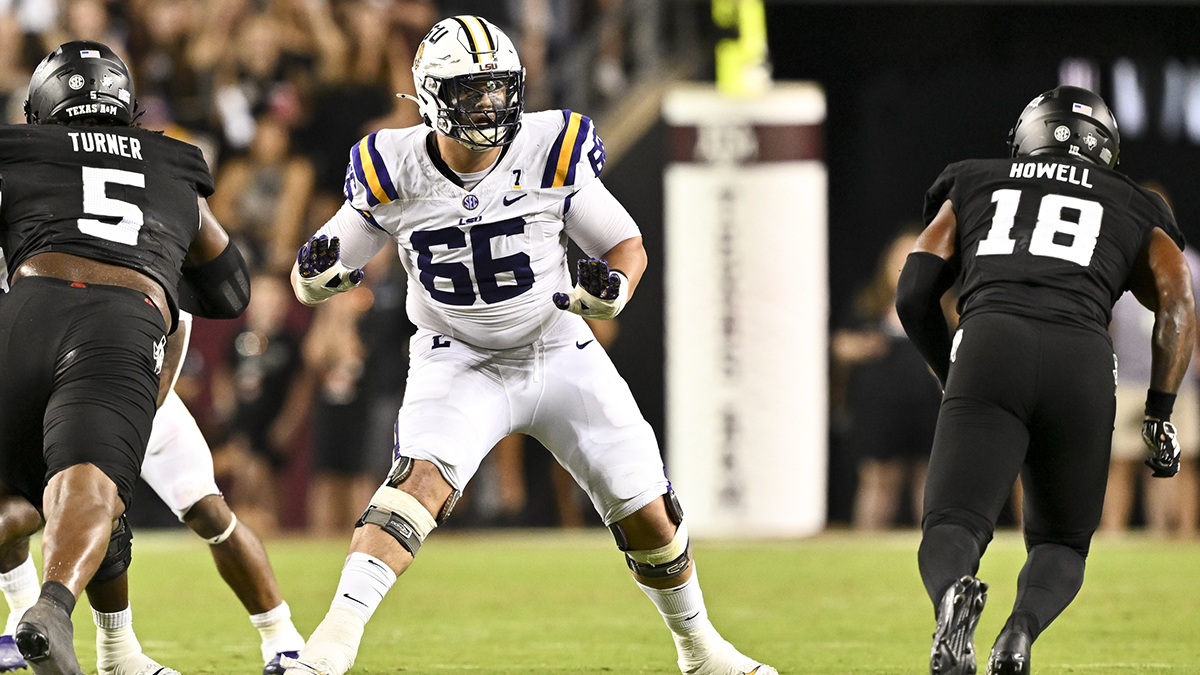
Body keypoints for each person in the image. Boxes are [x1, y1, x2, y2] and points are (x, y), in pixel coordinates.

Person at [281, 15, 776, 675]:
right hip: (455, 358)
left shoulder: (547, 147)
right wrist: (312, 280)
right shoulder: (392, 165)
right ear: (429, 95)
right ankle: (328, 649)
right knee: (413, 488)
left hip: (555, 348)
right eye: (469, 90)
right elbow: (321, 264)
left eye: (498, 87)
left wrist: (615, 293)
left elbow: (625, 246)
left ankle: (700, 649)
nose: (489, 104)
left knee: (649, 513)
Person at [896, 85, 1195, 675]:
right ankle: (1019, 635)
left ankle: (954, 595)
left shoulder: (976, 179)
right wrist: (1159, 411)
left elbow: (912, 292)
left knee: (953, 523)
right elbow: (1177, 301)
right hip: (1081, 358)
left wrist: (948, 367)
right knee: (1061, 543)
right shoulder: (1134, 203)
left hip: (990, 341)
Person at [0, 41, 252, 675]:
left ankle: (107, 646)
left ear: (43, 108)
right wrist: (160, 260)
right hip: (120, 318)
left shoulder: (17, 153)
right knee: (91, 482)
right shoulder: (173, 166)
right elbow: (231, 289)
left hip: (25, 306)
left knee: (14, 497)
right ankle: (52, 608)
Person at [0, 308, 307, 675]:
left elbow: (184, 317)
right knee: (20, 497)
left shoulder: (136, 255)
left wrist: (144, 407)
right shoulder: (24, 261)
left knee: (207, 509)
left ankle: (281, 635)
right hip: (56, 403)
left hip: (137, 396)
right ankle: (26, 617)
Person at [832, 228, 943, 530]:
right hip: (879, 408)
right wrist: (860, 346)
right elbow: (839, 343)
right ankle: (864, 551)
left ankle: (934, 550)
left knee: (930, 483)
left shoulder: (943, 304)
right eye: (899, 257)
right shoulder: (867, 303)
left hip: (929, 406)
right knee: (879, 481)